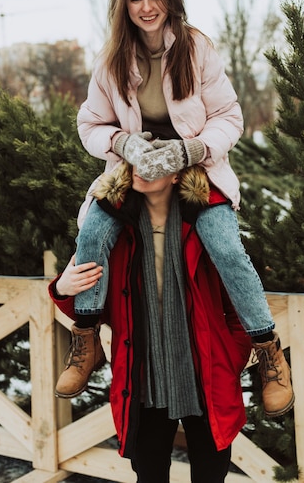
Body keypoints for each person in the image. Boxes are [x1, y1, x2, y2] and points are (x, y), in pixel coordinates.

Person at [55, 0, 294, 418]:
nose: (147, 7)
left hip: (194, 171)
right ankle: (85, 340)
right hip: (133, 169)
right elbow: (90, 125)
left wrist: (192, 150)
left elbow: (230, 116)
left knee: (225, 245)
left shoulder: (195, 47)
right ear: (123, 5)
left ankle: (268, 353)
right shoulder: (111, 60)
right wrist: (123, 143)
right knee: (92, 234)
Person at [49, 163, 254, 483]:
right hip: (144, 375)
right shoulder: (114, 234)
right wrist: (63, 288)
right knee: (149, 474)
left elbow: (239, 298)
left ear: (177, 174)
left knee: (211, 474)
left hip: (206, 373)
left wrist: (232, 356)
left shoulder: (207, 224)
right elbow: (94, 308)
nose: (143, 172)